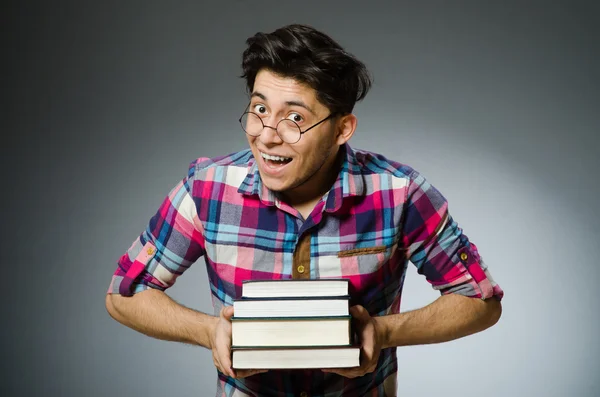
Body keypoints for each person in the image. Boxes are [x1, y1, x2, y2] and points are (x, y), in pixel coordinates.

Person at [105, 24, 503, 397]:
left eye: (295, 118)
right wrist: (209, 331)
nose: (268, 135)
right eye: (260, 109)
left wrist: (382, 332)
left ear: (342, 129)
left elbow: (480, 301)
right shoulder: (208, 189)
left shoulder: (399, 193)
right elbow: (125, 293)